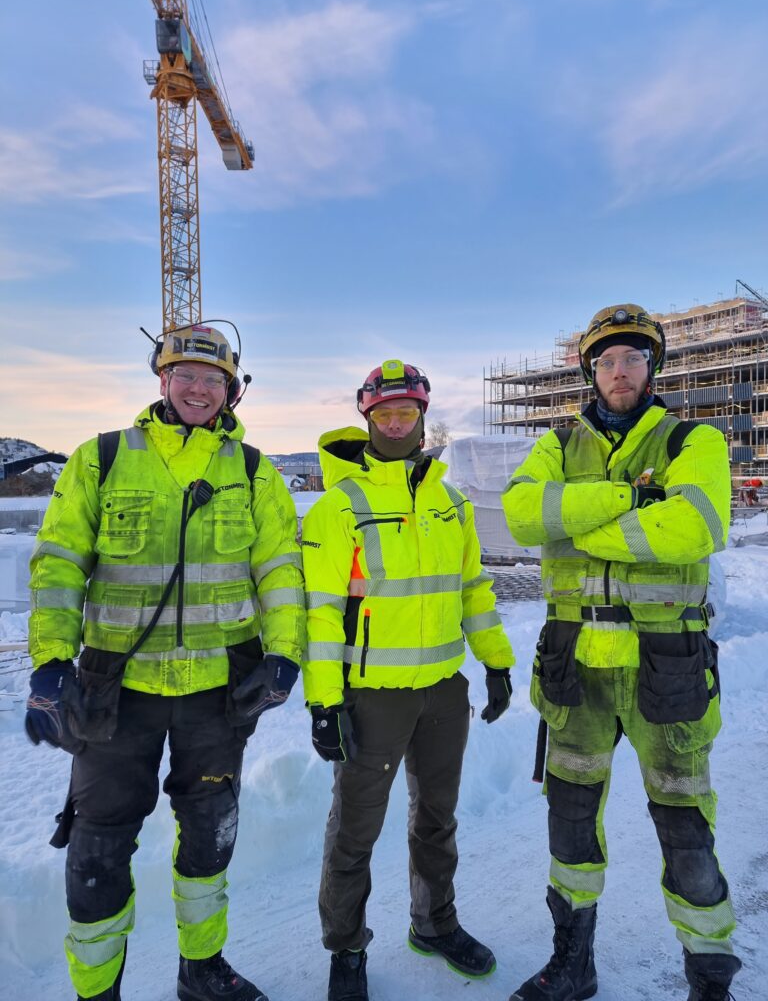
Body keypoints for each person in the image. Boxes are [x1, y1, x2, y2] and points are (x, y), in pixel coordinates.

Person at [25, 323, 305, 1001]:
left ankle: (201, 970)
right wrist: (50, 662)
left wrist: (285, 654)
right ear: (161, 380)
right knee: (98, 850)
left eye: (214, 380)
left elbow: (279, 568)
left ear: (231, 390)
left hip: (218, 692)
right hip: (116, 691)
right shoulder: (104, 458)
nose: (200, 389)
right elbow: (60, 562)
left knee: (211, 835)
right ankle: (99, 991)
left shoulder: (253, 470)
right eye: (187, 376)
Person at [502, 305, 740, 1001]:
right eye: (606, 360)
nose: (619, 370)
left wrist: (578, 523)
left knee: (684, 824)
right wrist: (624, 499)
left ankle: (709, 978)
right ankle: (571, 964)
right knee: (570, 821)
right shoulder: (557, 440)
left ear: (653, 367)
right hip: (573, 660)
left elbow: (692, 527)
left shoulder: (691, 440)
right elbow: (522, 515)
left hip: (668, 660)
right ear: (589, 370)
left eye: (633, 357)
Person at [301, 359, 516, 1001]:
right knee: (354, 829)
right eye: (384, 413)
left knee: (437, 819)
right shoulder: (340, 506)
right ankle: (346, 949)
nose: (396, 423)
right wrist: (324, 702)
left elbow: (472, 588)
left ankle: (435, 923)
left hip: (445, 692)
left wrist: (496, 660)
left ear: (423, 418)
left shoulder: (451, 500)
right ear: (366, 418)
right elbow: (318, 613)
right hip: (372, 699)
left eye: (407, 412)